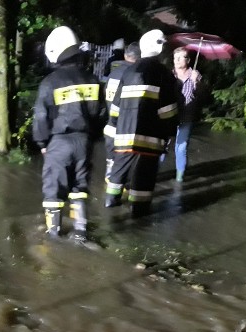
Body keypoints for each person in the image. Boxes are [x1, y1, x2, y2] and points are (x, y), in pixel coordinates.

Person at [33, 25, 103, 246]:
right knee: (79, 186)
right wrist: (92, 137)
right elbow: (101, 113)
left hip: (59, 142)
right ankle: (80, 233)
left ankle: (54, 235)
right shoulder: (92, 80)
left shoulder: (50, 82)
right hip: (84, 141)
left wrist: (42, 143)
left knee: (54, 188)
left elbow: (41, 118)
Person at [103, 29, 179, 217]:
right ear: (159, 48)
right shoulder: (164, 75)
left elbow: (116, 107)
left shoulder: (128, 72)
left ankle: (110, 203)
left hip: (123, 134)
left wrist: (115, 125)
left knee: (118, 172)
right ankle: (139, 212)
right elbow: (168, 110)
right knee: (144, 175)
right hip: (151, 136)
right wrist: (170, 132)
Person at [103, 42, 141, 188]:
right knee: (124, 160)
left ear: (126, 55)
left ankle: (109, 178)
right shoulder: (135, 75)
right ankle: (120, 186)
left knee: (111, 157)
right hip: (126, 126)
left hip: (110, 124)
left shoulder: (114, 73)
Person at [167, 46, 203, 182]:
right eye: (175, 58)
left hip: (187, 116)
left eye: (180, 57)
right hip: (170, 114)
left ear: (187, 60)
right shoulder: (170, 75)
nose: (176, 60)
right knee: (163, 144)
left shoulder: (195, 75)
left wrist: (196, 82)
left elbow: (201, 95)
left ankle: (179, 176)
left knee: (181, 146)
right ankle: (153, 174)